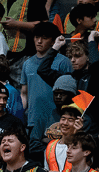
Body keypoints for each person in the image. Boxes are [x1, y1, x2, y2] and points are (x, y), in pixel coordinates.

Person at [20, 22, 72, 162]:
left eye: (44, 38)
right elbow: (24, 93)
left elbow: (70, 91)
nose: (39, 41)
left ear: (53, 41)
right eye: (36, 37)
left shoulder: (63, 62)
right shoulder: (27, 63)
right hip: (33, 120)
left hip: (55, 120)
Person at [0, 0, 48, 89]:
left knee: (22, 90)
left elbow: (42, 25)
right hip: (5, 54)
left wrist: (16, 24)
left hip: (24, 54)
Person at [44, 104, 83, 172]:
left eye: (70, 120)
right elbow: (46, 168)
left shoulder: (82, 146)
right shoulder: (51, 145)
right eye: (63, 118)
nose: (65, 123)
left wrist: (79, 134)